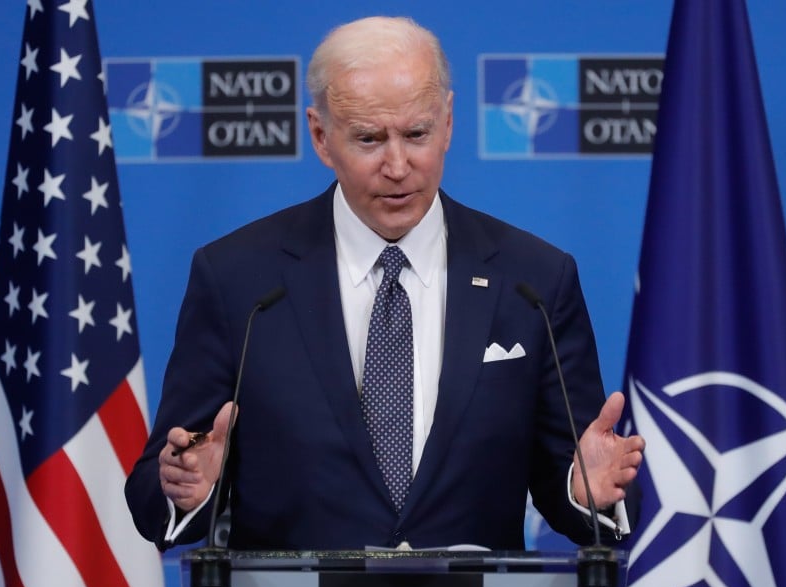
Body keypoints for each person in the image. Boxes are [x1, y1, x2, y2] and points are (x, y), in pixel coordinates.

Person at [125, 16, 644, 555]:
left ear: (447, 122)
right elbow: (151, 495)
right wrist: (187, 489)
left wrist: (588, 493)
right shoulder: (239, 278)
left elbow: (578, 477)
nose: (398, 166)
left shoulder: (533, 279)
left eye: (417, 134)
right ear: (322, 137)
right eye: (369, 139)